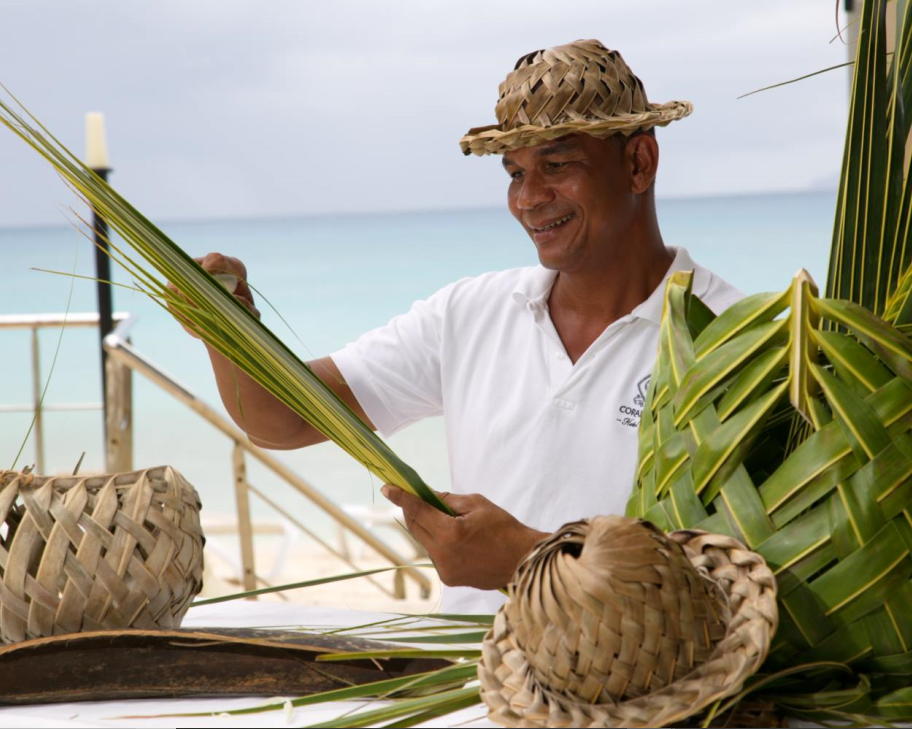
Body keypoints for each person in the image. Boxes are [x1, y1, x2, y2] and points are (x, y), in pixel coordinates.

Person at [178, 39, 743, 614]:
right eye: (515, 172)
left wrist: (527, 559)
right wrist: (229, 326)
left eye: (556, 164)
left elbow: (749, 590)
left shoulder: (735, 339)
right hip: (473, 688)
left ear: (638, 163)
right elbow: (279, 419)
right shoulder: (469, 315)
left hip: (649, 696)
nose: (528, 198)